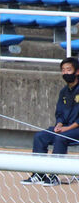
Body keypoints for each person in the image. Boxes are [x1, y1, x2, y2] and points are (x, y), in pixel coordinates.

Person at [23, 57, 79, 185]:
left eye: (68, 70)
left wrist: (66, 129)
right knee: (40, 136)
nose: (65, 73)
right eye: (63, 70)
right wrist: (59, 124)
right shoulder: (64, 92)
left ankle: (53, 175)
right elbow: (59, 113)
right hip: (64, 128)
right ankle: (38, 174)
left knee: (60, 138)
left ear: (77, 72)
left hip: (75, 129)